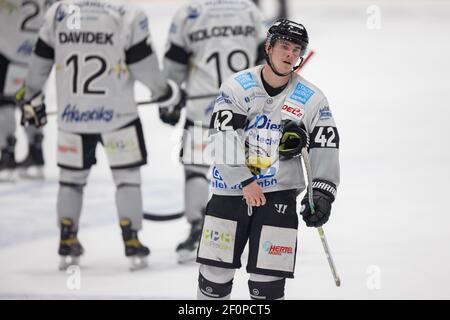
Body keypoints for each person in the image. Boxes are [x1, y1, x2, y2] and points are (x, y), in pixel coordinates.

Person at [18, 0, 182, 270]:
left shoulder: (58, 12)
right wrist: (165, 93)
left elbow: (39, 63)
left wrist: (31, 95)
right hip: (118, 117)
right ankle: (131, 239)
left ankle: (67, 236)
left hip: (72, 116)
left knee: (71, 180)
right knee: (127, 178)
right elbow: (144, 67)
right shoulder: (127, 14)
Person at [196, 19, 340, 299]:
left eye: (296, 49)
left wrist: (323, 192)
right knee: (215, 277)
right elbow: (222, 137)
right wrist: (245, 181)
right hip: (230, 192)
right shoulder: (237, 86)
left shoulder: (311, 98)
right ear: (269, 47)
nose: (290, 54)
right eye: (284, 46)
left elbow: (326, 144)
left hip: (278, 196)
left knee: (268, 284)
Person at [161, 0, 267, 264]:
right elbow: (266, 59)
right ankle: (254, 228)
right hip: (246, 110)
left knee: (195, 169)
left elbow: (174, 63)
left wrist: (169, 100)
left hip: (202, 110)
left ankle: (198, 229)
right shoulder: (249, 11)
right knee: (249, 170)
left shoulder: (189, 13)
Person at [0, 0, 57, 181]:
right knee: (32, 100)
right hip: (39, 54)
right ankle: (36, 152)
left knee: (5, 101)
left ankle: (7, 154)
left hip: (9, 50)